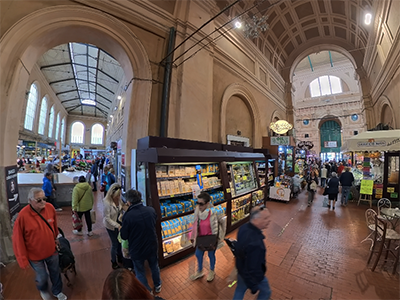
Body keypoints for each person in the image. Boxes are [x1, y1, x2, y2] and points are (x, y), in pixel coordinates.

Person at [12, 188, 68, 300]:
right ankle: (43, 289)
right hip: (35, 256)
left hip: (51, 250)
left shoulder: (50, 208)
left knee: (55, 272)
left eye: (44, 199)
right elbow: (18, 240)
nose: (43, 202)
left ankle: (57, 291)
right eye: (39, 200)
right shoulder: (23, 216)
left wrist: (56, 237)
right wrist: (22, 260)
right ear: (30, 201)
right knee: (42, 276)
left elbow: (54, 226)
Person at [120, 189, 162, 293]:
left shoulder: (128, 216)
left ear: (129, 202)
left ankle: (147, 290)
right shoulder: (150, 210)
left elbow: (124, 236)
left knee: (139, 271)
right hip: (152, 244)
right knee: (154, 265)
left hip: (137, 248)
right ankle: (158, 285)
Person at [233, 206, 272, 300]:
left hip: (241, 268)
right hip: (253, 276)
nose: (269, 221)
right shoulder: (256, 243)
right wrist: (254, 286)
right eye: (265, 218)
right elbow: (253, 267)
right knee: (266, 292)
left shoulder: (243, 228)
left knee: (240, 289)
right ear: (255, 219)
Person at [189, 192, 227, 282]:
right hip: (201, 238)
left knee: (211, 255)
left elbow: (223, 221)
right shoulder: (197, 211)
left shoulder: (214, 212)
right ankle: (200, 271)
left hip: (211, 238)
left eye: (201, 203)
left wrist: (221, 236)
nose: (198, 205)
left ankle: (212, 271)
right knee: (198, 254)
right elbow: (195, 225)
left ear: (207, 203)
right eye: (197, 203)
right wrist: (193, 236)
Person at [103, 183, 124, 270]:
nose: (119, 197)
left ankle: (119, 256)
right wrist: (117, 225)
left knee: (119, 241)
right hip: (110, 226)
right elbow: (107, 218)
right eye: (117, 196)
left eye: (119, 195)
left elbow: (121, 208)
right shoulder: (107, 203)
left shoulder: (118, 200)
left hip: (117, 221)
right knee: (114, 244)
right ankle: (113, 262)